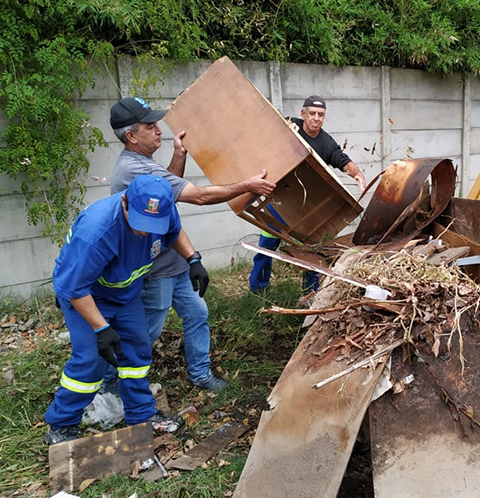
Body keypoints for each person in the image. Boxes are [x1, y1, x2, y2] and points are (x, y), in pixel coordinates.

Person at [107, 97, 276, 393]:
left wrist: (179, 154)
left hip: (173, 261)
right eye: (151, 126)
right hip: (153, 269)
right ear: (131, 136)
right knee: (147, 330)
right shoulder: (133, 169)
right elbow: (197, 196)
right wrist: (247, 185)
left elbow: (167, 192)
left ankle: (200, 373)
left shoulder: (144, 161)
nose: (159, 130)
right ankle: (111, 380)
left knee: (197, 314)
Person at [44, 175, 207, 444]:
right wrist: (101, 328)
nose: (146, 232)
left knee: (137, 350)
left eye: (153, 225)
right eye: (140, 223)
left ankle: (141, 415)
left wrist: (193, 259)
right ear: (124, 202)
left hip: (125, 291)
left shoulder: (162, 210)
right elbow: (75, 288)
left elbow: (174, 230)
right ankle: (62, 424)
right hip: (87, 294)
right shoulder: (97, 231)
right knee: (90, 361)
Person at [249, 95, 365, 293]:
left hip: (305, 209)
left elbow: (342, 160)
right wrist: (284, 130)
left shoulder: (326, 142)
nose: (316, 118)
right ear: (303, 114)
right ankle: (258, 290)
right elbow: (266, 128)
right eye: (312, 113)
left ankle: (310, 293)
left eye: (321, 115)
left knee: (311, 253)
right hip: (278, 202)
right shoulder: (290, 125)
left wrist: (357, 174)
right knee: (265, 249)